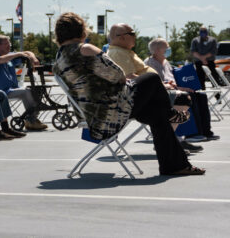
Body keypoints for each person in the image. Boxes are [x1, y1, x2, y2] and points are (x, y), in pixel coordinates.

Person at [54, 12, 203, 176]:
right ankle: (171, 114)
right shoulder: (86, 50)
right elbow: (118, 75)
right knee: (152, 78)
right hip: (112, 112)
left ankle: (174, 166)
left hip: (93, 116)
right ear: (81, 30)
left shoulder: (59, 58)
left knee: (157, 116)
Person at [107, 24, 199, 153]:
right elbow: (130, 77)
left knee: (181, 99)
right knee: (181, 99)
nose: (135, 36)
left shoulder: (124, 52)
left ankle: (171, 141)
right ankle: (168, 142)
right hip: (137, 99)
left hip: (145, 94)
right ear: (122, 37)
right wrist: (161, 85)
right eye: (132, 33)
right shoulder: (118, 53)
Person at [145, 37, 218, 143]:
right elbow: (158, 83)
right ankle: (190, 133)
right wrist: (179, 88)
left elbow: (172, 79)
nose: (169, 49)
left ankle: (205, 131)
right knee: (186, 96)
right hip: (161, 93)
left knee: (201, 96)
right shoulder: (150, 63)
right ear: (157, 50)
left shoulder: (165, 62)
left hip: (174, 89)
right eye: (166, 47)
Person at [0, 35, 47, 131]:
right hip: (0, 92)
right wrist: (18, 54)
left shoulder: (10, 57)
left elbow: (27, 52)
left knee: (37, 90)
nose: (9, 46)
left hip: (12, 89)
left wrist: (33, 59)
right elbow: (1, 60)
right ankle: (31, 120)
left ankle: (31, 119)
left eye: (9, 43)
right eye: (6, 44)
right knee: (27, 92)